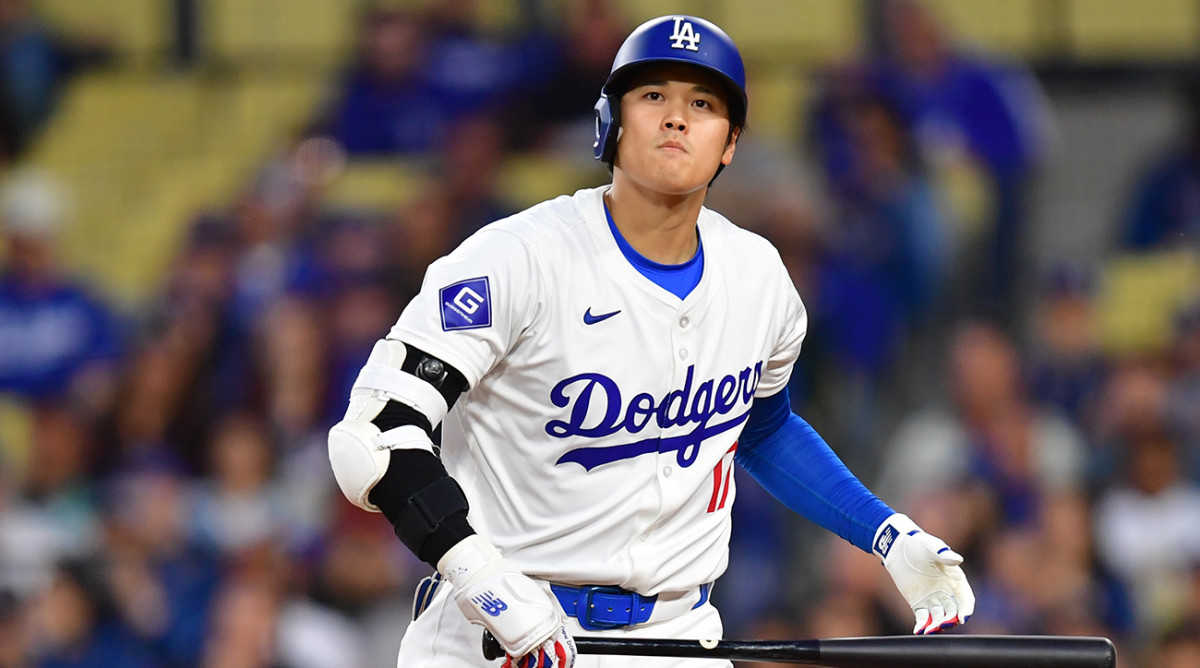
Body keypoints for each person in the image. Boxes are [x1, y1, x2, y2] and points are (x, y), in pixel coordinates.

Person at [327, 15, 975, 668]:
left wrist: (886, 533)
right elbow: (375, 436)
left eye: (702, 103)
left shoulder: (758, 276)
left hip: (676, 635)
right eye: (653, 96)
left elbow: (761, 429)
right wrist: (484, 581)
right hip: (495, 635)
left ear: (729, 143)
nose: (676, 118)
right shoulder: (517, 258)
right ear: (610, 123)